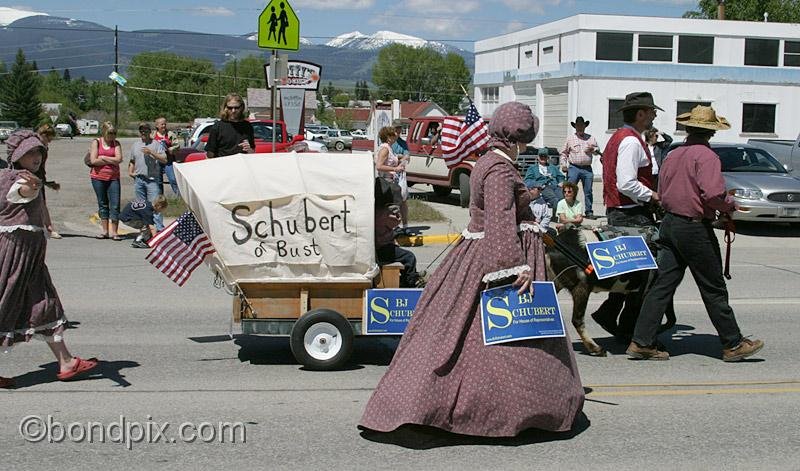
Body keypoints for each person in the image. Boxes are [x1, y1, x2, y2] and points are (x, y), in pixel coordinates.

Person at [360, 101, 584, 438]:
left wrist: (529, 195)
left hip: (489, 250)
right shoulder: (498, 168)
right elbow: (498, 219)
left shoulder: (491, 161)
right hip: (496, 255)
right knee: (499, 337)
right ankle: (498, 409)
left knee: (483, 337)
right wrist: (514, 265)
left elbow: (503, 205)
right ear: (519, 136)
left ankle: (521, 405)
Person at [627, 106, 764, 362]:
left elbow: (663, 190)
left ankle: (641, 341)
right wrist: (728, 207)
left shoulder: (673, 154)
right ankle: (732, 343)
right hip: (693, 228)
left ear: (689, 128)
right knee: (713, 287)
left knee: (662, 285)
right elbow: (712, 194)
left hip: (669, 223)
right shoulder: (707, 156)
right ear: (711, 132)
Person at [1, 131, 99, 388]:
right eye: (29, 153)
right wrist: (30, 186)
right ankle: (66, 361)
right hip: (15, 257)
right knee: (5, 305)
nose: (35, 157)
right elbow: (21, 192)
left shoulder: (21, 177)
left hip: (29, 257)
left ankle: (66, 362)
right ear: (17, 155)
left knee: (43, 303)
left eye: (38, 152)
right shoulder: (18, 180)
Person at [594, 92, 662, 339]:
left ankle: (611, 315)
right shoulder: (632, 141)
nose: (654, 116)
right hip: (630, 214)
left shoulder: (621, 137)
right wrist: (653, 196)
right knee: (645, 276)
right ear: (641, 113)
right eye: (652, 112)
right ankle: (630, 328)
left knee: (631, 273)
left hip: (622, 212)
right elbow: (626, 183)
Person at [128, 123, 167, 232]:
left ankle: (159, 229)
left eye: (146, 131)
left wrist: (151, 152)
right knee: (141, 206)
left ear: (150, 131)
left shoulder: (156, 144)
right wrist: (130, 171)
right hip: (139, 179)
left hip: (152, 180)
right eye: (141, 131)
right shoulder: (135, 145)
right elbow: (132, 160)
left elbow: (164, 159)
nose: (143, 133)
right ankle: (145, 230)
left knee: (156, 206)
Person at [88, 121, 123, 240]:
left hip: (113, 177)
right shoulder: (96, 142)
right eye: (110, 133)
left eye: (114, 133)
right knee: (103, 203)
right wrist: (111, 160)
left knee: (115, 204)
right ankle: (104, 231)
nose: (112, 135)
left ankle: (115, 232)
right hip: (98, 177)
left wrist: (103, 158)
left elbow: (119, 159)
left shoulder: (116, 143)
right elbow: (93, 161)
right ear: (104, 132)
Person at [560, 116, 599, 219]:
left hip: (587, 168)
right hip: (574, 167)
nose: (580, 128)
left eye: (582, 126)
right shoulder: (570, 139)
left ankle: (589, 211)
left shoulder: (591, 138)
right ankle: (569, 210)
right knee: (570, 189)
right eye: (578, 126)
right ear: (575, 127)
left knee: (588, 191)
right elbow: (563, 153)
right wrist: (564, 165)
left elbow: (597, 150)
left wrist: (593, 149)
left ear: (585, 126)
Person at [375, 202, 422, 288]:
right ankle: (410, 281)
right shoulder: (384, 213)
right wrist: (397, 214)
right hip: (382, 248)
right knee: (409, 257)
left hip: (377, 247)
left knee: (401, 254)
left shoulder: (374, 210)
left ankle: (407, 278)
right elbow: (397, 221)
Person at [206, 93, 255, 159]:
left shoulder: (247, 126)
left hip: (242, 166)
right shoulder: (217, 127)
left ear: (241, 107)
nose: (233, 111)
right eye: (230, 108)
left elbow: (252, 151)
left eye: (236, 108)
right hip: (223, 166)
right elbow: (210, 154)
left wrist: (249, 150)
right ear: (225, 108)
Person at [35, 124, 62, 239]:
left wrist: (44, 179)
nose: (50, 141)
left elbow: (41, 165)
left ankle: (48, 228)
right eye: (49, 138)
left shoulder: (43, 146)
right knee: (39, 203)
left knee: (41, 203)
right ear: (43, 135)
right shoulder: (35, 145)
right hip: (32, 176)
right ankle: (49, 229)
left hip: (39, 176)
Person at [390, 120, 411, 234]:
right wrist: (399, 157)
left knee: (403, 200)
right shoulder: (388, 143)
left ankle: (405, 225)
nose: (398, 131)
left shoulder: (403, 143)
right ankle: (393, 225)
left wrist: (400, 157)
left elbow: (407, 157)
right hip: (390, 175)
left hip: (400, 175)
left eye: (399, 129)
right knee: (392, 202)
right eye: (396, 129)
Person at [153, 117, 180, 196]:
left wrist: (170, 149)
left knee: (173, 179)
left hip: (169, 161)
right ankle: (160, 199)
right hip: (157, 161)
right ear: (157, 126)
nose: (164, 126)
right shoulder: (153, 135)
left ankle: (179, 196)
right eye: (162, 124)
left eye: (165, 124)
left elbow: (177, 146)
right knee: (158, 181)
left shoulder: (170, 134)